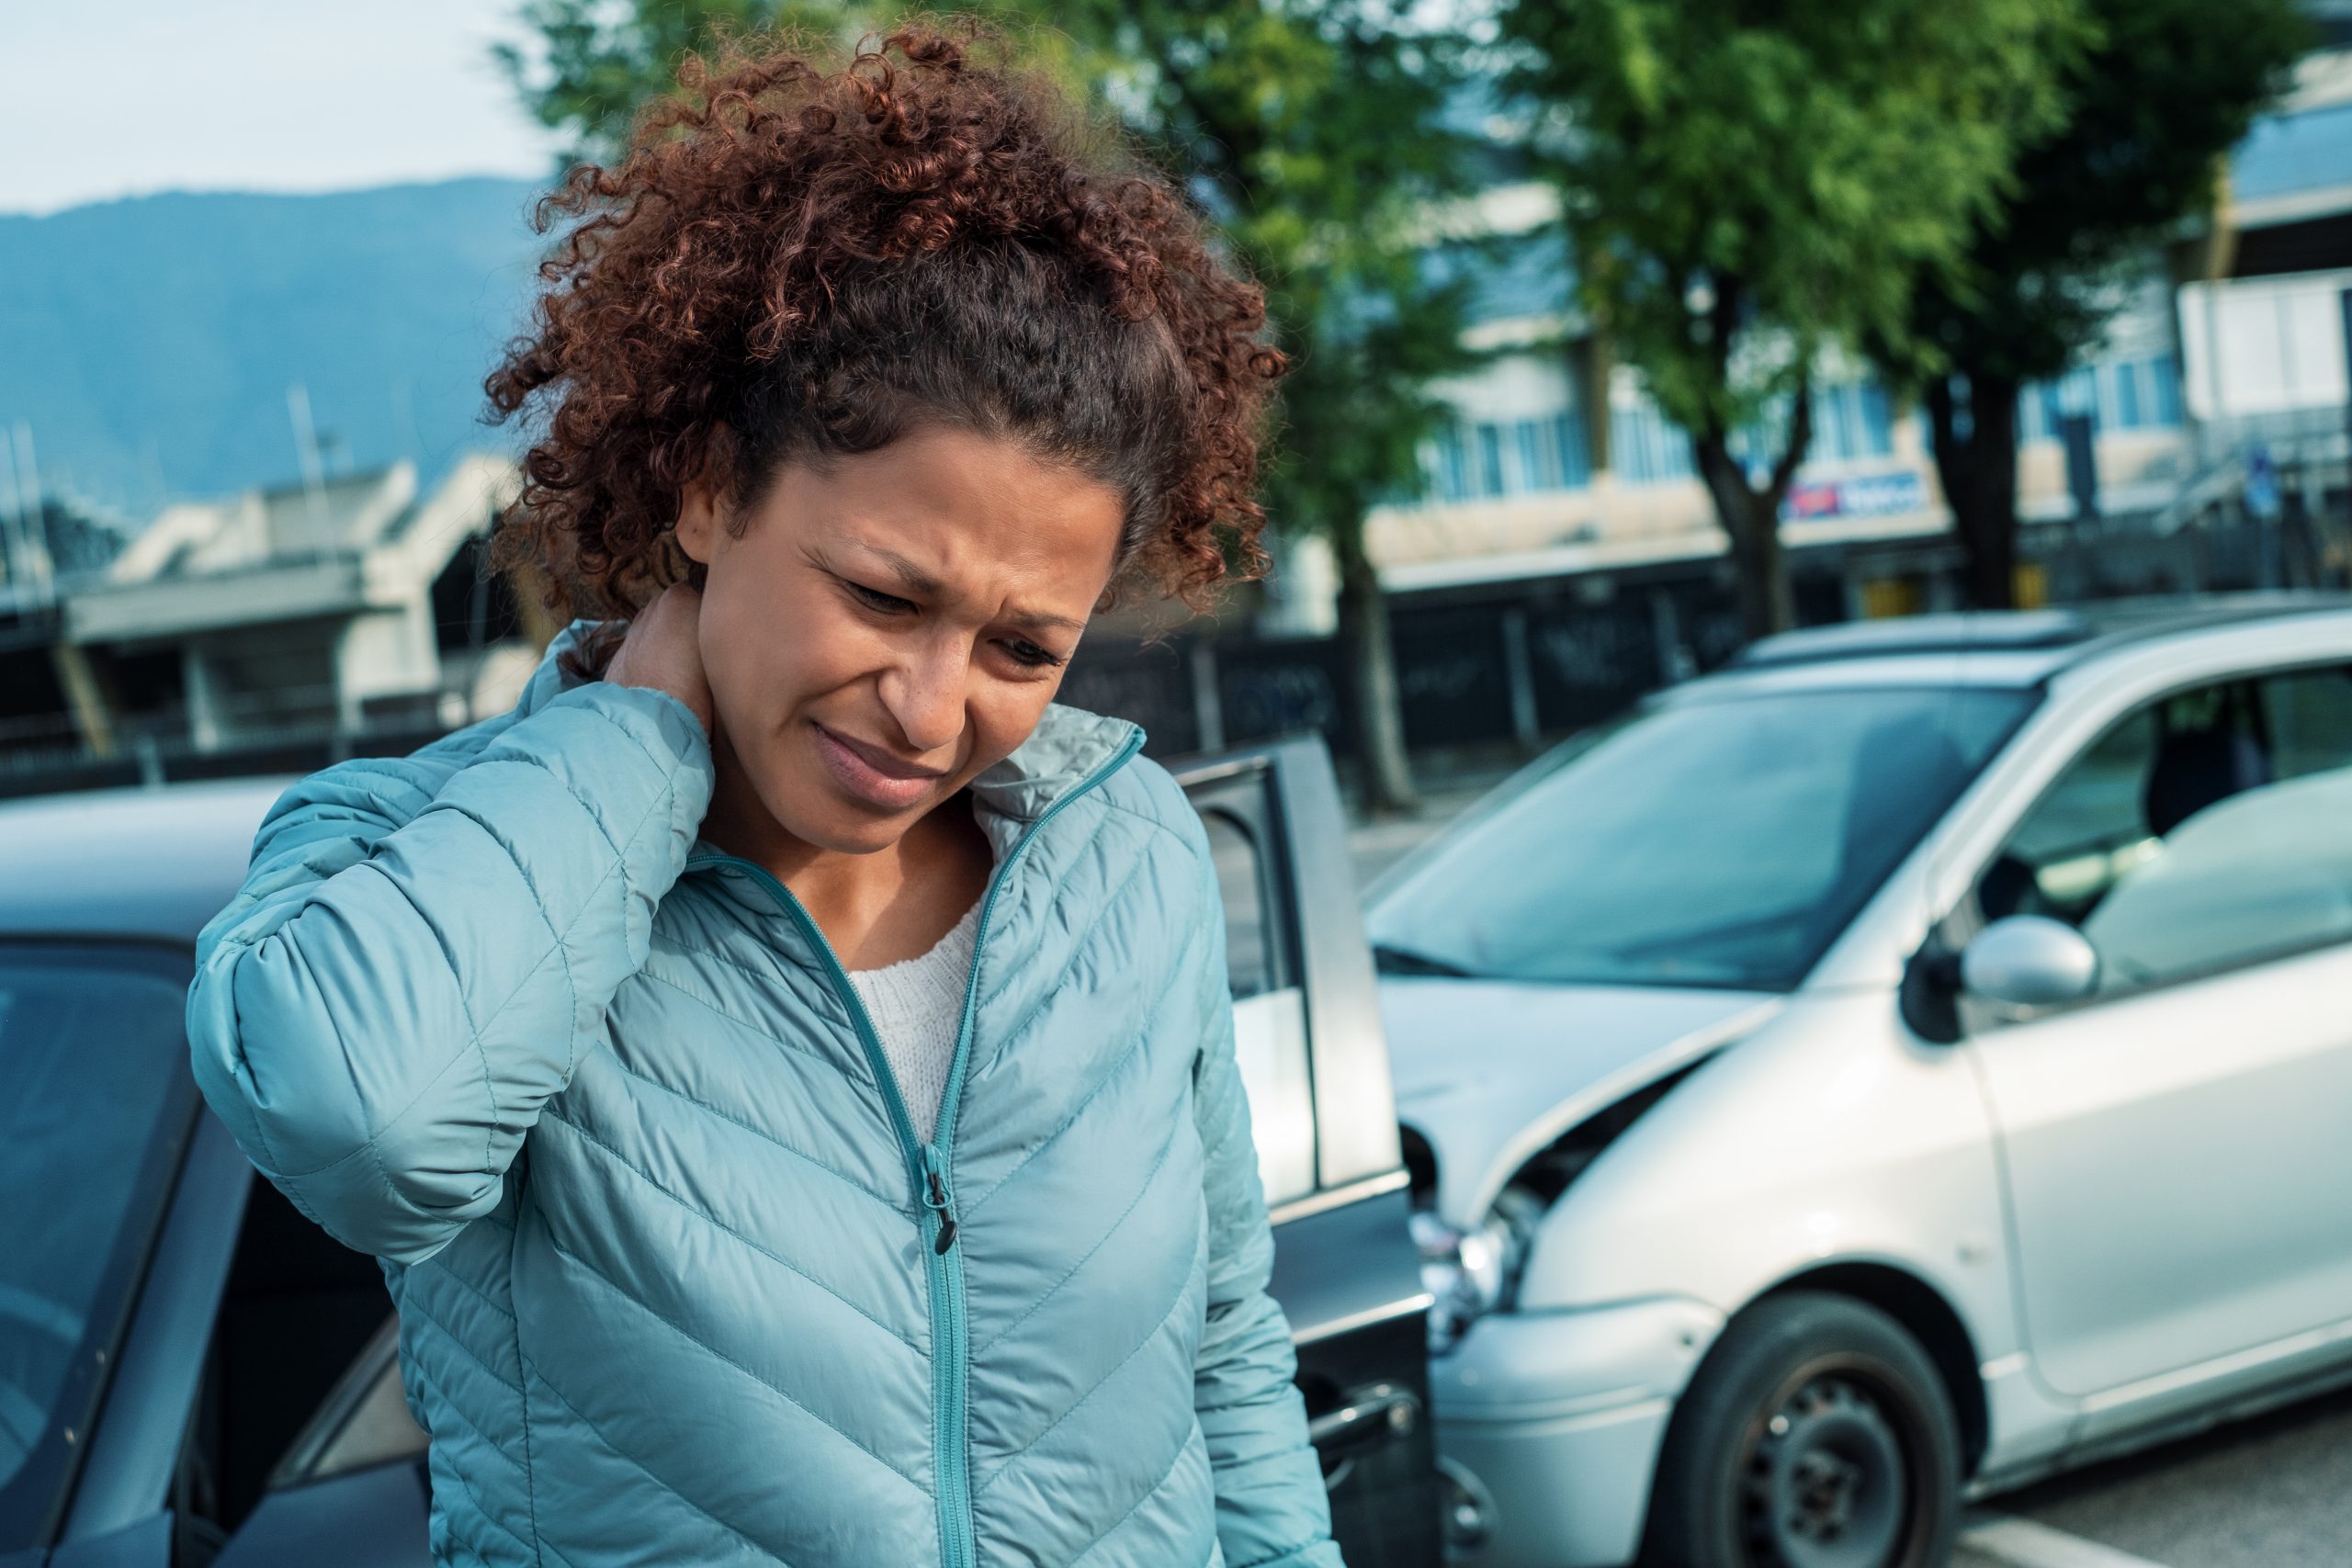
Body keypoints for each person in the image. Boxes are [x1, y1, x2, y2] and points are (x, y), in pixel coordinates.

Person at [184, 25, 1343, 1568]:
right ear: (711, 487)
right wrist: (633, 744)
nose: (934, 710)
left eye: (1020, 647)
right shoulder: (408, 857)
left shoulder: (1125, 850)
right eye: (879, 595)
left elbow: (1223, 1358)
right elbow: (364, 1132)